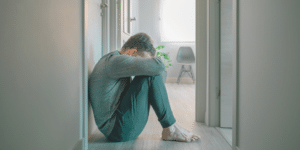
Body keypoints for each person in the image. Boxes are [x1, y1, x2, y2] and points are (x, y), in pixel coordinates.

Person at [88, 32, 200, 142]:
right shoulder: (116, 61)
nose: (141, 64)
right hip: (117, 130)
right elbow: (159, 66)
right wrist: (150, 64)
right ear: (132, 52)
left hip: (117, 127)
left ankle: (171, 127)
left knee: (151, 72)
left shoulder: (114, 59)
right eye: (142, 59)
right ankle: (171, 127)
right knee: (150, 74)